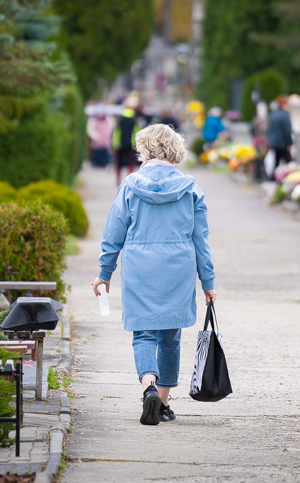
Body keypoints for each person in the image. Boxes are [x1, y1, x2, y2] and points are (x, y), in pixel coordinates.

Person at [91, 124, 217, 426]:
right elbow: (201, 239)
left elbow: (113, 233)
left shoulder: (129, 186)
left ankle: (147, 383)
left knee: (144, 333)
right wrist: (208, 282)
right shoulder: (190, 188)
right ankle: (162, 401)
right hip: (179, 268)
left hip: (140, 268)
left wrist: (104, 272)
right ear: (175, 149)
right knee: (171, 335)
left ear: (144, 149)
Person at [112, 93, 141, 184]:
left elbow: (116, 131)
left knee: (118, 163)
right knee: (131, 163)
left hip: (120, 143)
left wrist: (115, 143)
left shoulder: (120, 118)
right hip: (131, 144)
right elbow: (137, 131)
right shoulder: (134, 118)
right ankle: (130, 180)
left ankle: (118, 179)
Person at [267, 94, 293, 173]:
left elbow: (269, 129)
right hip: (283, 143)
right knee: (289, 162)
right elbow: (287, 130)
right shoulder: (284, 115)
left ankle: (274, 177)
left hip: (274, 142)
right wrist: (290, 143)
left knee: (277, 161)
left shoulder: (273, 114)